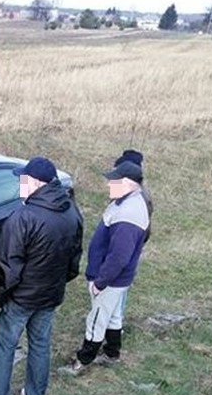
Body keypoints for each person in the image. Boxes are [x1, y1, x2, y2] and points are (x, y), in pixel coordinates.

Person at [0, 157, 83, 395]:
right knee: (40, 343)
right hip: (51, 295)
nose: (19, 182)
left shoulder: (23, 217)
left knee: (4, 346)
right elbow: (75, 257)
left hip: (20, 299)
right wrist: (57, 283)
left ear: (35, 183)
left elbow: (9, 267)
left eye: (23, 178)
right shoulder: (71, 211)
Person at [59, 159, 150, 375]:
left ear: (127, 183)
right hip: (117, 278)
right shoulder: (128, 202)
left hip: (110, 279)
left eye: (113, 181)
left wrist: (100, 282)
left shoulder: (129, 214)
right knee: (114, 314)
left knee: (97, 318)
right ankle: (111, 352)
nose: (109, 184)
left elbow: (119, 256)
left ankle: (83, 361)